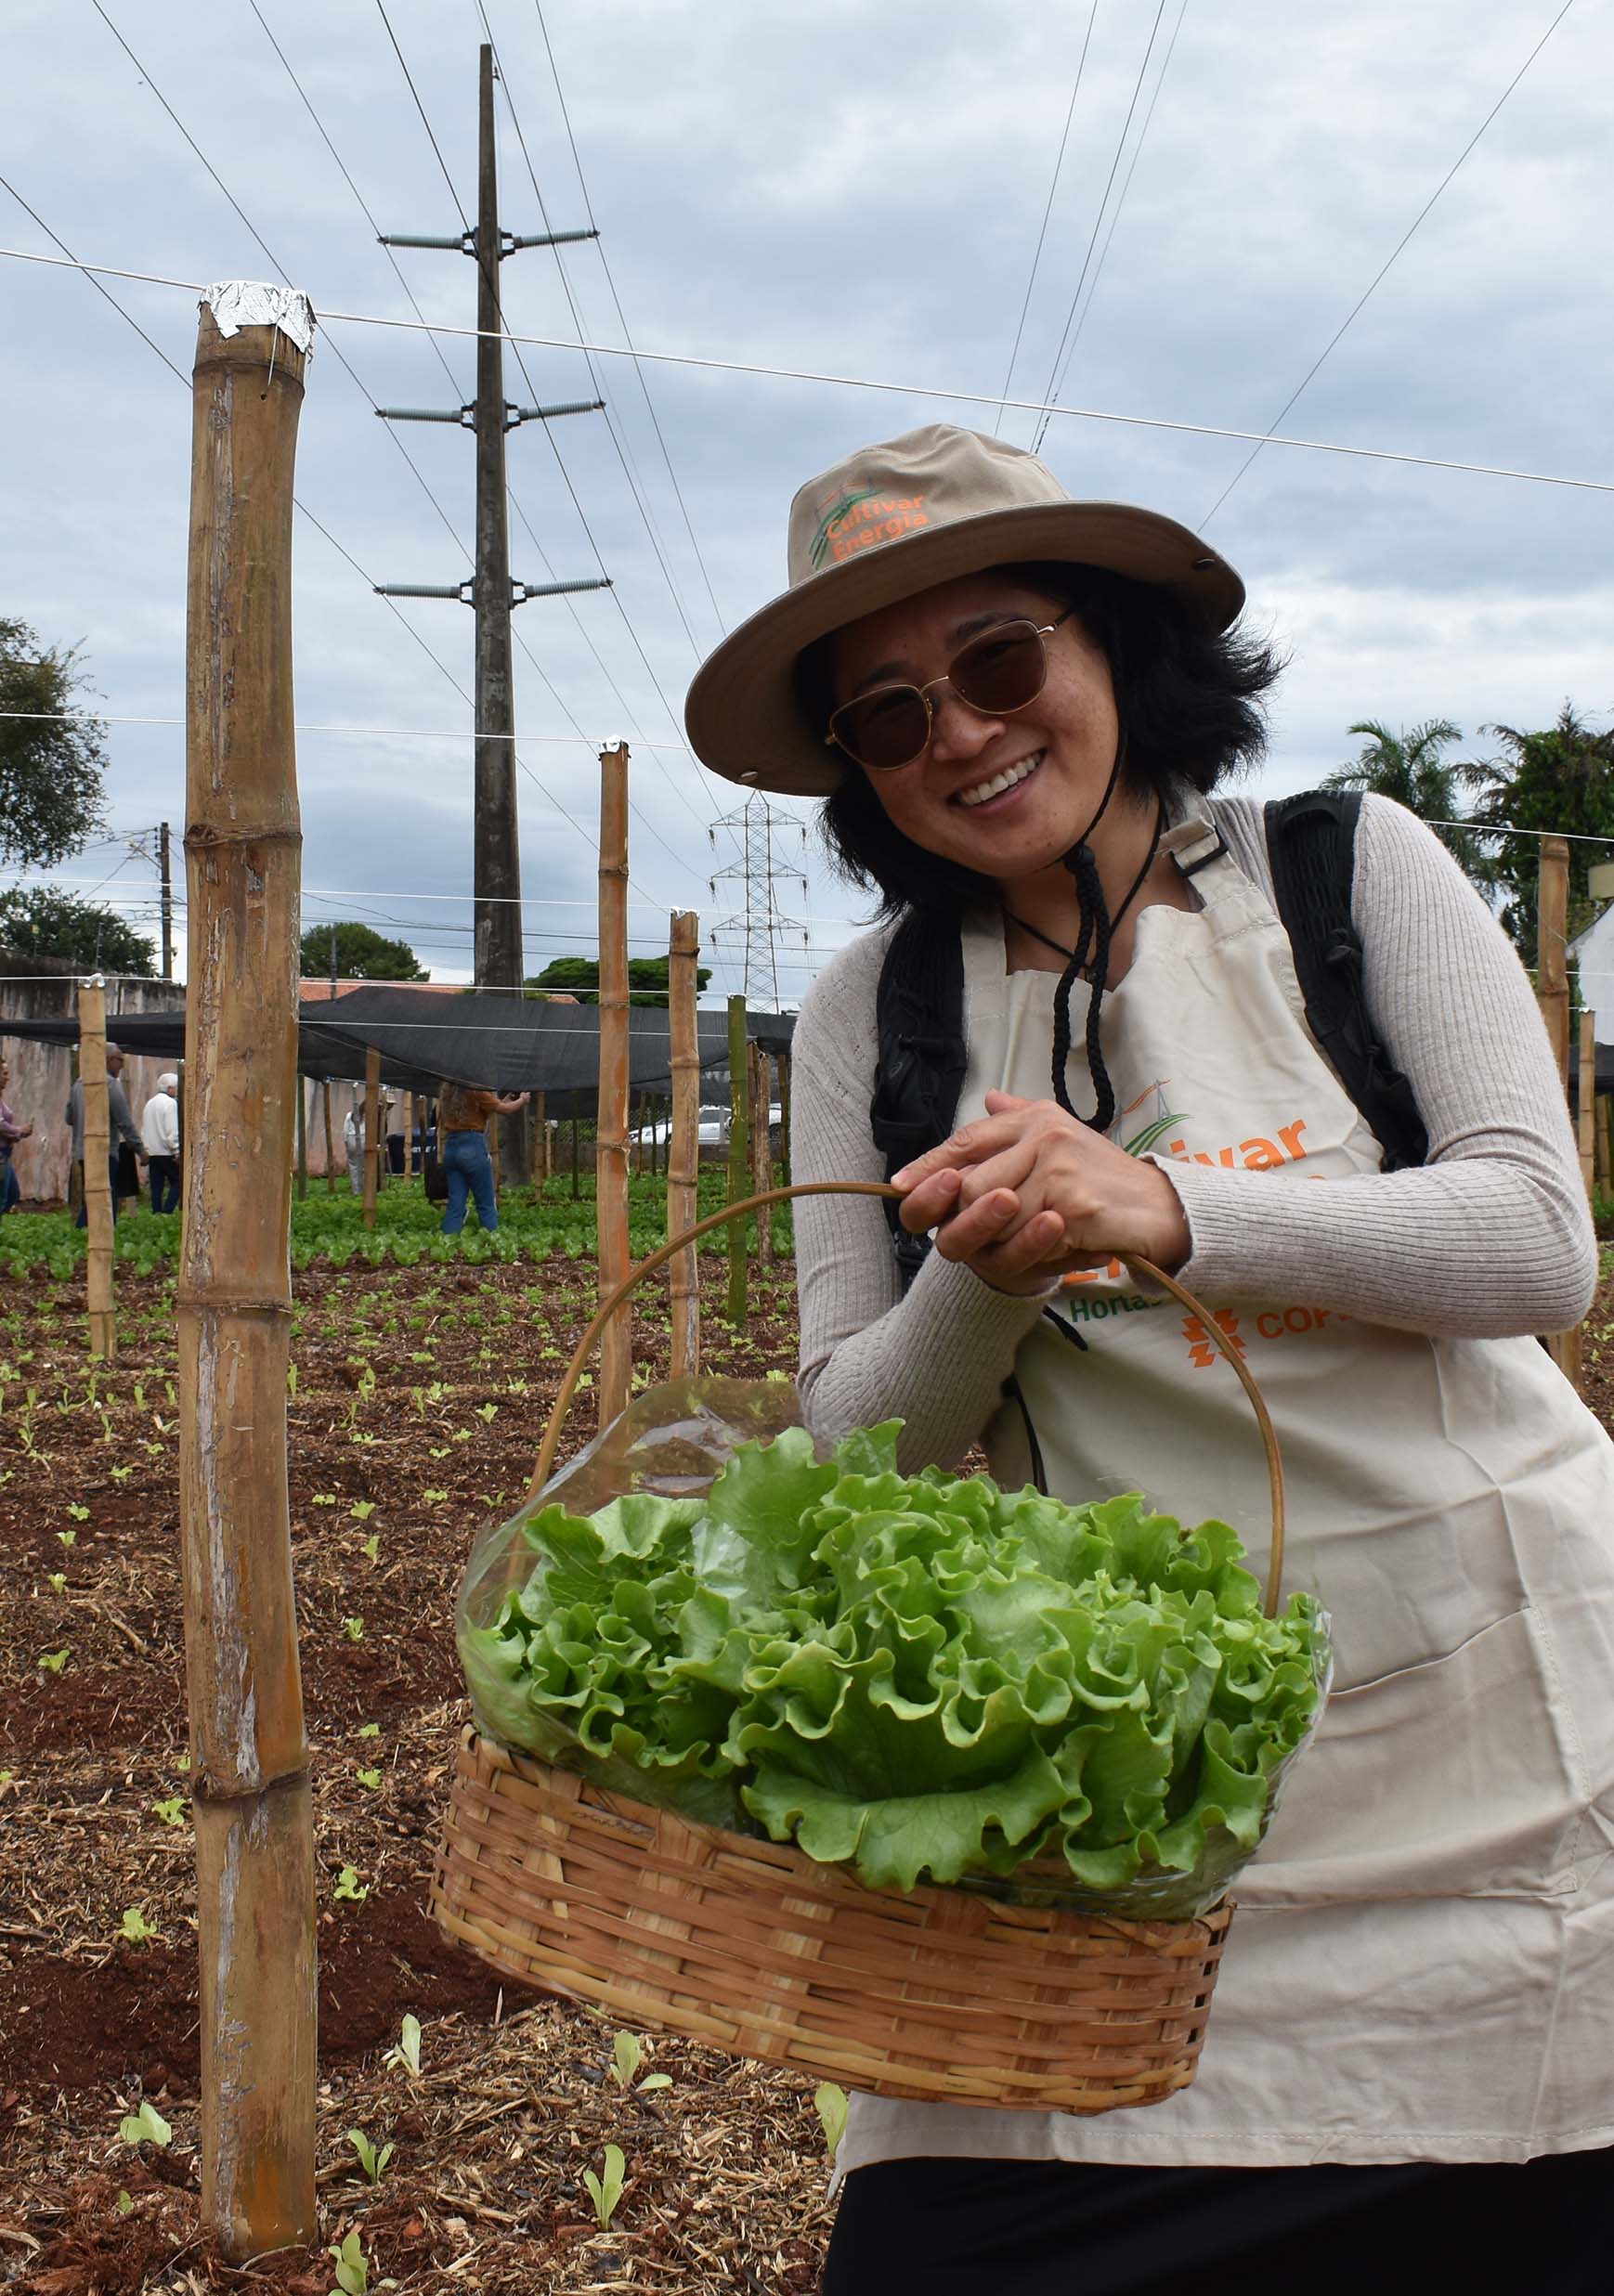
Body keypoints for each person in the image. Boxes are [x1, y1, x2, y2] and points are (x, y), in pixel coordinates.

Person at [683, 425, 1614, 2294]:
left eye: (996, 657)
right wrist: (988, 1281)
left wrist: (1167, 1205)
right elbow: (853, 1435)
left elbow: (1534, 1242)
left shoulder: (1340, 874)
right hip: (1125, 1832)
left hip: (1511, 1783)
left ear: (1110, 638)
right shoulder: (878, 1004)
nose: (958, 729)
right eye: (888, 711)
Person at [436, 1078, 529, 1234]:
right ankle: (491, 1237)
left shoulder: (448, 1091)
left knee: (455, 1203)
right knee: (486, 1201)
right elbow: (505, 1110)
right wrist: (522, 1100)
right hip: (472, 1146)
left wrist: (502, 1102)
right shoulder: (475, 1089)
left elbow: (488, 1107)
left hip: (451, 1148)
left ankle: (448, 1240)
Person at [66, 1044, 146, 1226]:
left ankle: (82, 1235)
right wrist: (141, 1150)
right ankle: (97, 1233)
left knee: (92, 1196)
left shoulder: (78, 1084)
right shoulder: (110, 1084)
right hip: (104, 1152)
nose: (122, 1065)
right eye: (120, 1060)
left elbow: (69, 1118)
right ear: (109, 1060)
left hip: (83, 1152)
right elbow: (124, 1121)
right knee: (105, 1198)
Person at [140, 1070, 181, 1214]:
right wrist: (177, 1151)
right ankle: (167, 1212)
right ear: (170, 1088)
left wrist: (145, 1150)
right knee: (178, 1181)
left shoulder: (149, 1104)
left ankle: (156, 1213)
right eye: (176, 1088)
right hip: (167, 1152)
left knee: (156, 1187)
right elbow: (172, 1130)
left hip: (152, 1152)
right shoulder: (171, 1103)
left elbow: (144, 1130)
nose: (177, 1091)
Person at [0, 1056, 32, 1214]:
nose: (8, 1078)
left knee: (12, 1194)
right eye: (4, 1074)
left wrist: (19, 1135)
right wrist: (19, 1130)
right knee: (2, 1198)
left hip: (5, 1154)